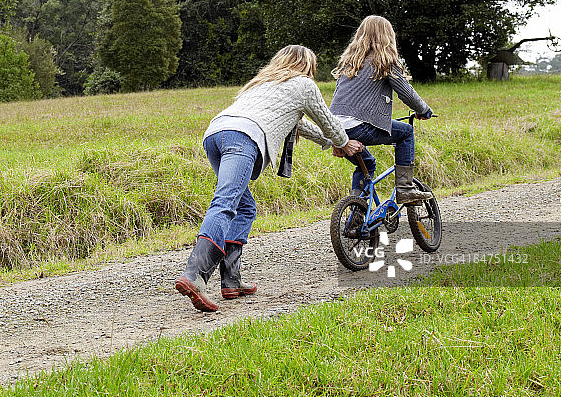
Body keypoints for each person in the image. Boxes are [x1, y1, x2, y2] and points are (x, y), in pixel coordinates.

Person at [174, 45, 363, 312]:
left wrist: (331, 142)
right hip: (243, 138)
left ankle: (231, 280)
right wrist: (344, 142)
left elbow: (300, 125)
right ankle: (195, 275)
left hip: (216, 134)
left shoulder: (262, 83)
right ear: (307, 66)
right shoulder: (303, 85)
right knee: (225, 203)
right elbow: (327, 121)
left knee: (244, 207)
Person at [329, 15, 433, 203]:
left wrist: (336, 138)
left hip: (336, 129)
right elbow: (407, 94)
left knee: (367, 164)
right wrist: (424, 110)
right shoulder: (385, 62)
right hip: (359, 126)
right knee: (406, 133)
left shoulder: (349, 63)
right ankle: (405, 189)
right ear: (387, 37)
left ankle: (357, 209)